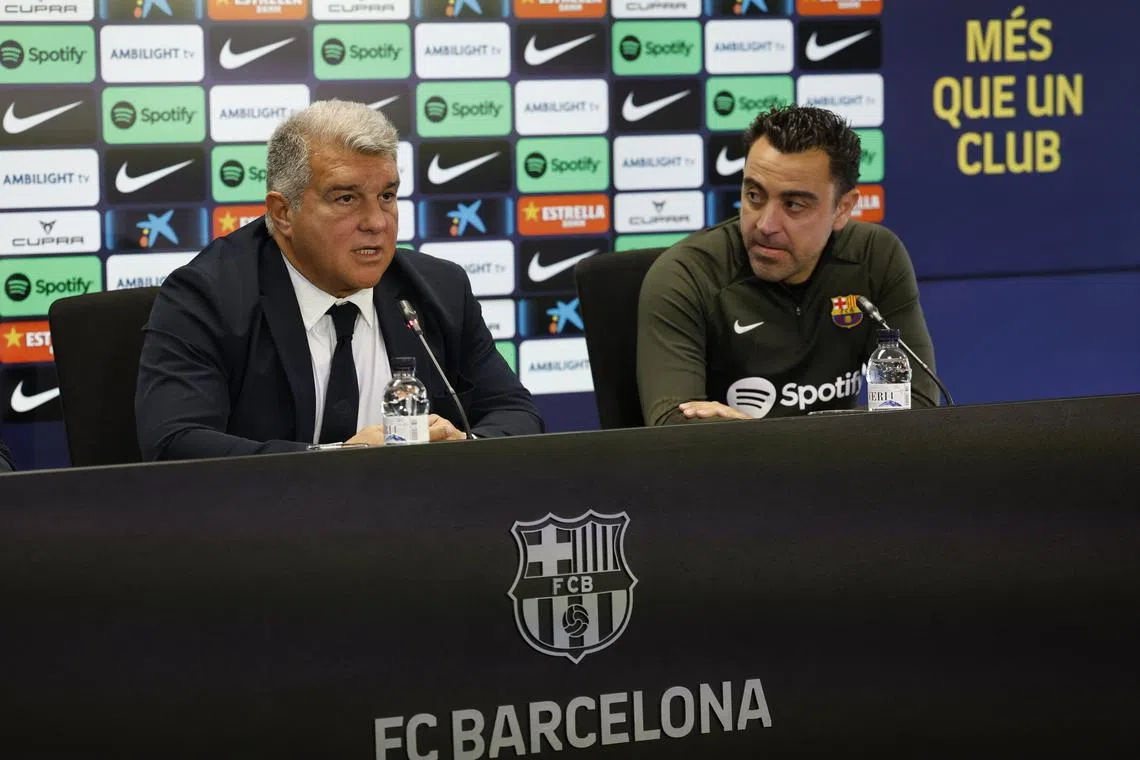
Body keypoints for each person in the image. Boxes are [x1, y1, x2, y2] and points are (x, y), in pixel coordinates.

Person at [137, 100, 543, 460]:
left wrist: (461, 446)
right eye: (346, 198)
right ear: (282, 213)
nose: (376, 222)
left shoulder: (439, 289)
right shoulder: (208, 297)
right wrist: (343, 459)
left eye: (387, 195)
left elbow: (517, 413)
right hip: (266, 532)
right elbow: (177, 443)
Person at [637, 105, 938, 425]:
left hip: (836, 472)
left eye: (793, 205)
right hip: (725, 475)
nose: (765, 224)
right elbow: (672, 428)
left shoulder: (875, 257)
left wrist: (759, 435)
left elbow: (915, 404)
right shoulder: (686, 275)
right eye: (754, 195)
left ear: (843, 208)